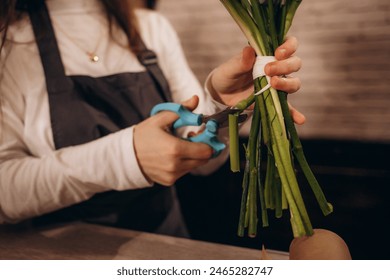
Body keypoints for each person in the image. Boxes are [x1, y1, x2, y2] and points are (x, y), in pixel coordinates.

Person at [0, 0, 303, 237]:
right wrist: (123, 157)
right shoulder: (10, 41)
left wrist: (220, 107)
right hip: (63, 254)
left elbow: (205, 164)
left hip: (165, 243)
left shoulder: (151, 28)